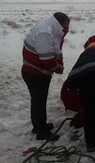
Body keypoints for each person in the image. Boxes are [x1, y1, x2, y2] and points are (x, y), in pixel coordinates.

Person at [22, 12, 70, 141]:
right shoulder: (45, 33)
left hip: (39, 72)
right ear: (59, 23)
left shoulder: (53, 30)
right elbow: (47, 60)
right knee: (38, 101)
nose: (67, 28)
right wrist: (58, 68)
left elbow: (56, 51)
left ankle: (40, 126)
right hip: (34, 73)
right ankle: (41, 132)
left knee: (39, 101)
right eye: (66, 25)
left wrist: (60, 64)